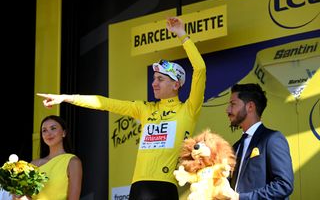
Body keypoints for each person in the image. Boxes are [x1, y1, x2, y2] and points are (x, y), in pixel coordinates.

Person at [36, 16, 206, 200]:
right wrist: (65, 98)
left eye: (160, 79)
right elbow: (104, 103)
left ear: (176, 85)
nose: (154, 83)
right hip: (138, 187)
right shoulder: (144, 109)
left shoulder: (188, 109)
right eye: (154, 78)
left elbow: (200, 69)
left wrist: (182, 35)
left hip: (165, 187)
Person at [223, 83, 294, 200]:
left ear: (250, 106)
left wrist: (241, 197)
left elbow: (284, 185)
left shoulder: (272, 139)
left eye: (233, 104)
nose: (228, 110)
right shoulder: (236, 147)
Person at [31, 115, 83, 200]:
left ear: (64, 133)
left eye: (53, 128)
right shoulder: (33, 164)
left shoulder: (72, 162)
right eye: (44, 130)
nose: (48, 134)